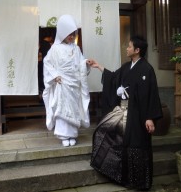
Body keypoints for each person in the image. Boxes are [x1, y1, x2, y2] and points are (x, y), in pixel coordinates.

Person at [88, 36, 162, 191]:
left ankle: (141, 182)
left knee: (138, 146)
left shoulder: (147, 69)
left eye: (129, 46)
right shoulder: (127, 66)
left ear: (137, 50)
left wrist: (150, 118)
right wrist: (98, 66)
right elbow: (114, 77)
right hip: (125, 113)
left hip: (140, 116)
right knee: (119, 140)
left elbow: (151, 94)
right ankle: (126, 179)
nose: (127, 48)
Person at [42, 14, 90, 147]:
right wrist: (54, 75)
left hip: (74, 83)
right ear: (63, 33)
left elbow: (80, 63)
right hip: (62, 83)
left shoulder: (76, 48)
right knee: (62, 107)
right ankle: (64, 135)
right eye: (69, 34)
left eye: (73, 34)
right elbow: (47, 63)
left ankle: (72, 134)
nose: (72, 37)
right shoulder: (55, 49)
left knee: (73, 108)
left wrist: (85, 63)